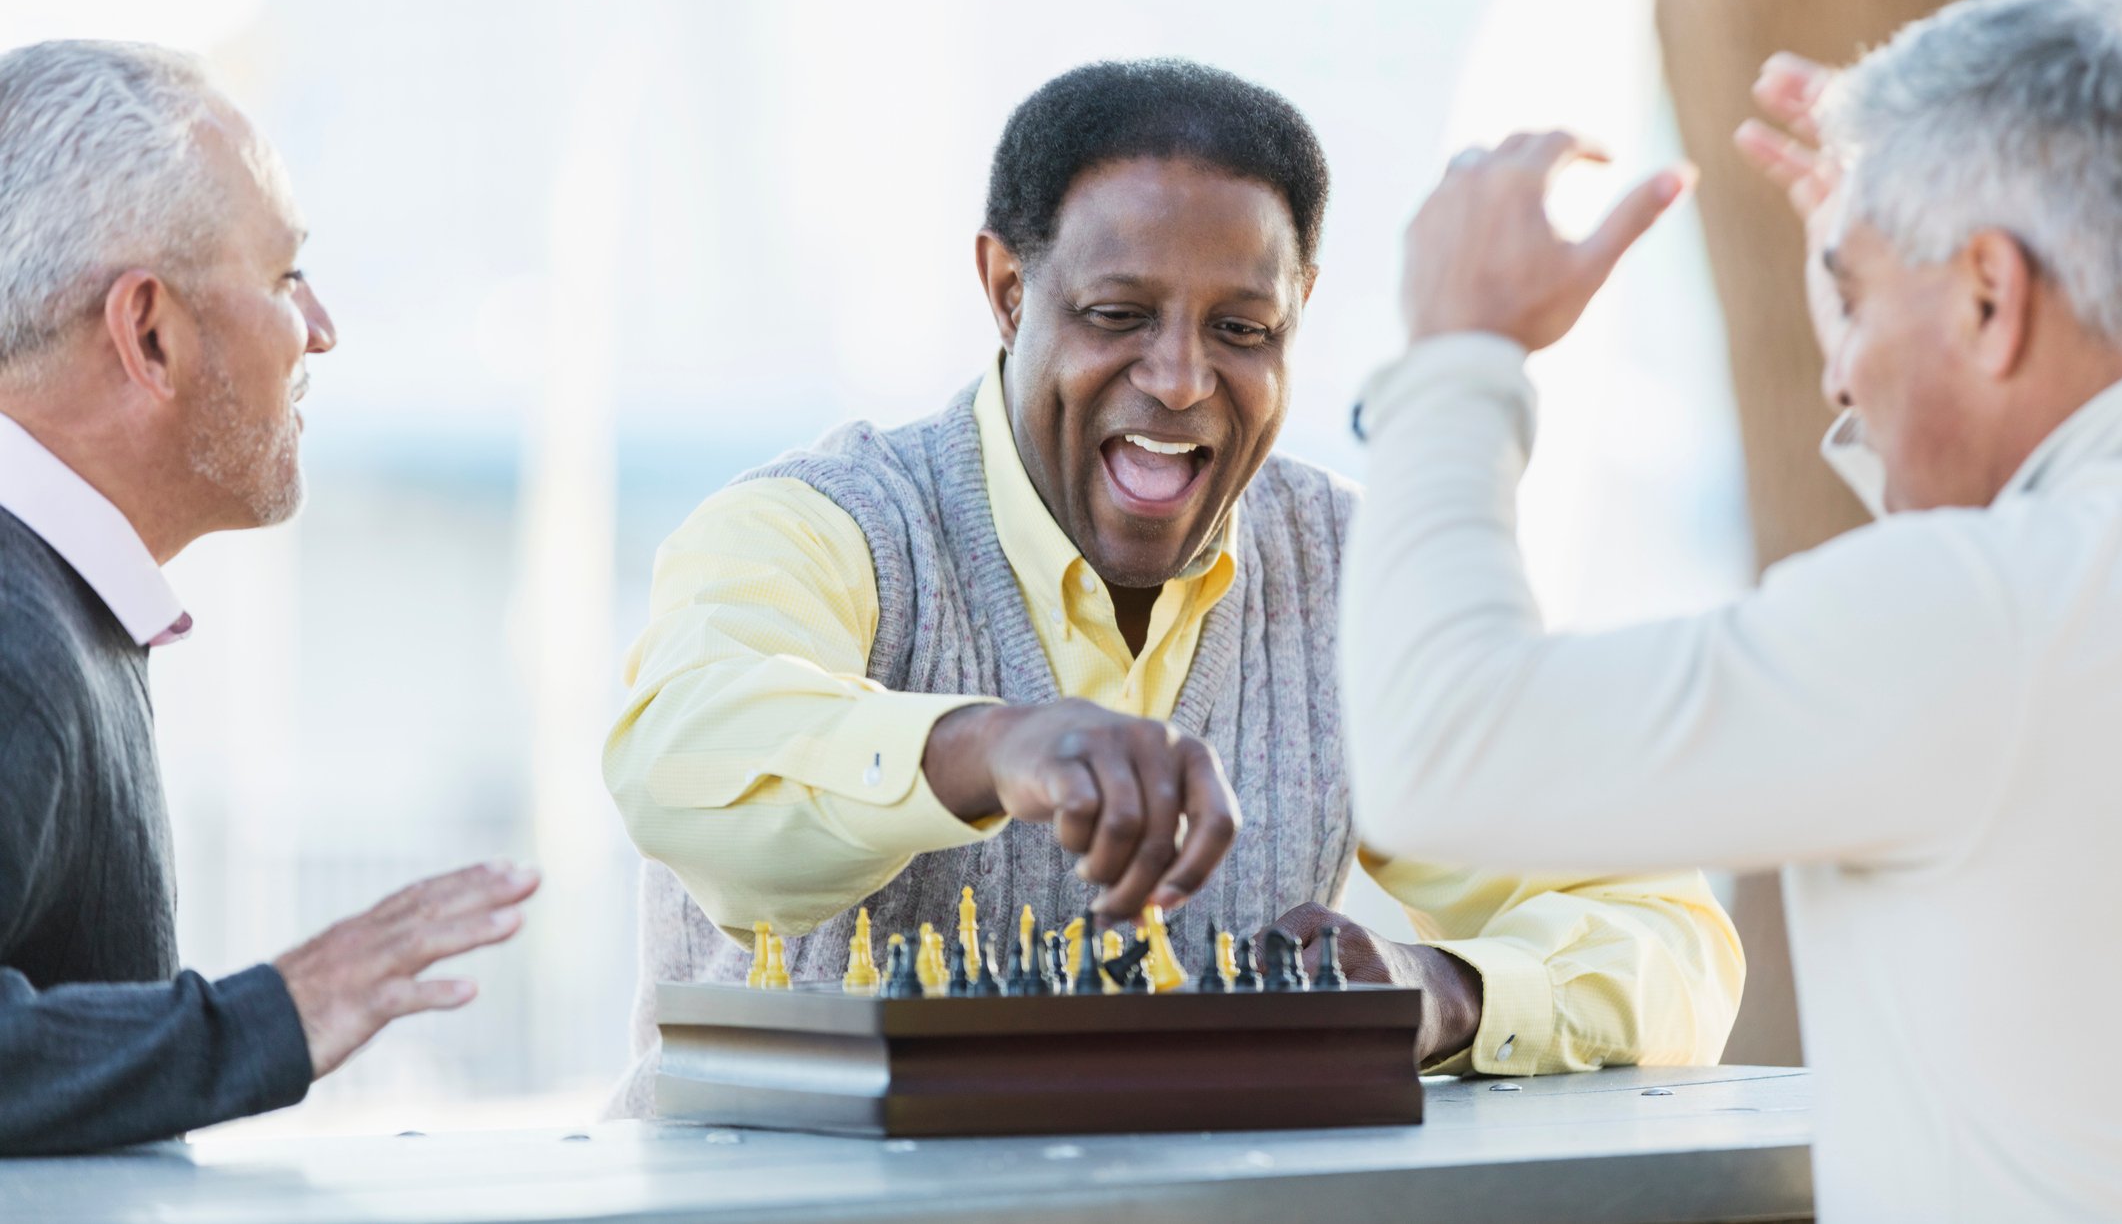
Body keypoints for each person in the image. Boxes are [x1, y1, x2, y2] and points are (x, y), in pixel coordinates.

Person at [604, 59, 1742, 1111]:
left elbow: (1663, 930)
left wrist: (1439, 991)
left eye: (1243, 329)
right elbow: (678, 763)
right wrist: (991, 746)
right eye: (1119, 317)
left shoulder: (1358, 575)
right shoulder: (818, 523)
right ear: (1006, 289)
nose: (1182, 379)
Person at [1345, 0, 2122, 1221]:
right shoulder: (2049, 603)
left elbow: (1438, 755)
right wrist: (1875, 291)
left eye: (1848, 304)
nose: (1840, 372)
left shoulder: (1983, 627)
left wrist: (1456, 357)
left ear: (1988, 296)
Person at [0, 40, 538, 1155]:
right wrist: (274, 1015)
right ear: (148, 331)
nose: (322, 328)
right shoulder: (13, 637)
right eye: (287, 276)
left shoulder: (56, 606)